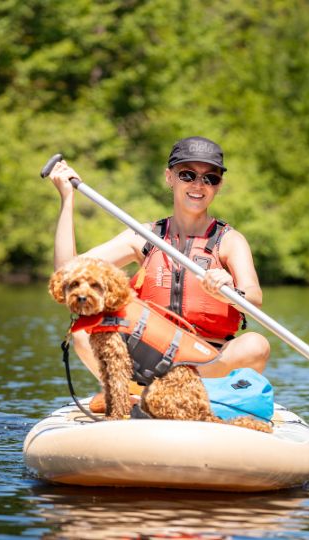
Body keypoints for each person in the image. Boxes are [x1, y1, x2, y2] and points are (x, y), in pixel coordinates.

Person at [49, 136, 270, 380]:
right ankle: (132, 391)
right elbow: (66, 272)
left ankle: (181, 391)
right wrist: (67, 198)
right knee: (84, 328)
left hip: (208, 361)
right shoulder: (145, 236)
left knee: (256, 345)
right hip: (151, 356)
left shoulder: (229, 240)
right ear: (169, 177)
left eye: (210, 178)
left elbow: (254, 297)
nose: (198, 185)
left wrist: (228, 291)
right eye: (187, 175)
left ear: (218, 185)